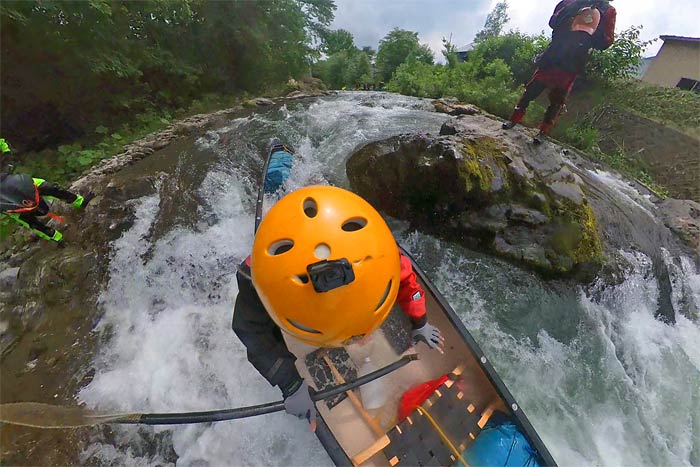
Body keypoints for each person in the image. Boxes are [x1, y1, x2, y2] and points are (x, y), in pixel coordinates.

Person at [232, 185, 444, 430]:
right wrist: (290, 384)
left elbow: (407, 281)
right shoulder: (259, 280)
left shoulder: (373, 248)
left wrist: (420, 321)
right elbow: (251, 331)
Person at [502, 0, 616, 144]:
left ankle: (543, 132)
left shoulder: (608, 11)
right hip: (555, 53)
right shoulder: (570, 1)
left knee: (558, 99)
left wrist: (593, 30)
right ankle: (513, 119)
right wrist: (571, 17)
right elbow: (552, 21)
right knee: (532, 89)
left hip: (574, 60)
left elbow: (607, 41)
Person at [0, 138, 94, 245]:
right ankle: (56, 238)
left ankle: (81, 202)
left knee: (52, 188)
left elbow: (2, 143)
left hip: (9, 178)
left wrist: (7, 153)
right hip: (4, 198)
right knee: (30, 222)